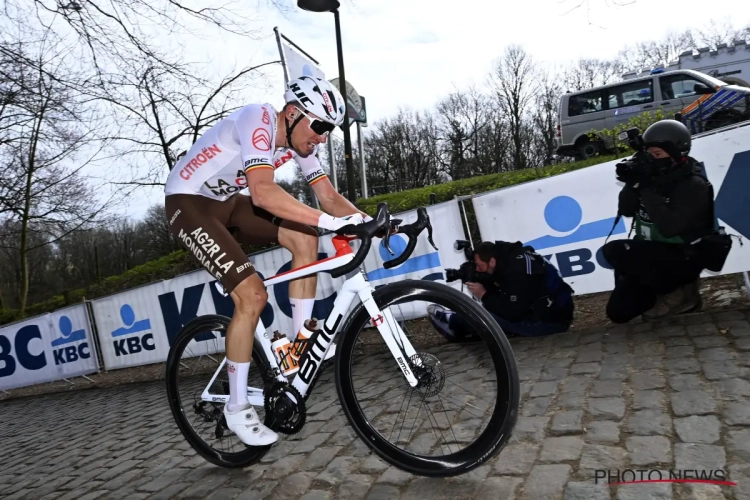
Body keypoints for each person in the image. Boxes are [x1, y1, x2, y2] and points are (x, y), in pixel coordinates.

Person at [163, 76, 371, 446]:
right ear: (293, 114)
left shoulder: (302, 146)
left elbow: (328, 196)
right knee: (253, 296)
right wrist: (330, 223)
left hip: (227, 204)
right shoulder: (256, 117)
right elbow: (262, 192)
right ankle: (237, 407)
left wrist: (375, 225)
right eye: (320, 126)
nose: (322, 137)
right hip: (188, 203)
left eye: (329, 131)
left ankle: (298, 344)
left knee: (305, 238)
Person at [602, 119, 715, 323]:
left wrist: (645, 188)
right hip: (650, 254)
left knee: (614, 250)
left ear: (677, 153)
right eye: (649, 154)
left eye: (658, 155)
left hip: (683, 255)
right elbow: (626, 211)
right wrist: (633, 180)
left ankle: (684, 292)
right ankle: (659, 290)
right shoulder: (653, 176)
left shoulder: (694, 184)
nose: (653, 160)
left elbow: (669, 228)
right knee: (618, 313)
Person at [428, 240, 575, 340]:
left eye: (479, 266)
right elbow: (506, 288)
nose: (478, 270)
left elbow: (512, 314)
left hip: (549, 323)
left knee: (484, 315)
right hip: (551, 313)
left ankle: (453, 323)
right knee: (494, 307)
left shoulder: (518, 272)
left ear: (492, 261)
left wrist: (483, 295)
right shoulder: (510, 258)